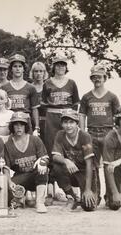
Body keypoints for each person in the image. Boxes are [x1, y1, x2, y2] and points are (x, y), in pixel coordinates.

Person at [42, 55, 80, 205]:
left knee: (70, 150)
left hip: (68, 117)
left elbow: (76, 103)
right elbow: (43, 105)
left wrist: (74, 122)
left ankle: (72, 191)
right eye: (57, 65)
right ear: (53, 67)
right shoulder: (47, 83)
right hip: (52, 117)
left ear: (66, 67)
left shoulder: (71, 83)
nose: (60, 67)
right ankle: (50, 191)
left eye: (62, 65)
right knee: (52, 151)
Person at [79, 65, 120, 205]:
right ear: (91, 78)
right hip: (91, 133)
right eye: (94, 77)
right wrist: (82, 132)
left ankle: (111, 196)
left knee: (109, 165)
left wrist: (117, 134)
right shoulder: (86, 97)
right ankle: (94, 195)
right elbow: (82, 115)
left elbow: (118, 117)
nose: (97, 79)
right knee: (93, 165)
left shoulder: (112, 97)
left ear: (105, 78)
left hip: (108, 133)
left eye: (100, 77)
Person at [52, 110, 98, 211]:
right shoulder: (60, 135)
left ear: (77, 123)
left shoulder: (84, 136)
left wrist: (87, 189)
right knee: (56, 167)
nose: (68, 126)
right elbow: (55, 156)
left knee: (88, 207)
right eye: (65, 122)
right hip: (71, 171)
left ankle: (87, 193)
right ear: (62, 124)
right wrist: (66, 161)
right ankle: (71, 197)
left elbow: (89, 164)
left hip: (85, 172)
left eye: (71, 122)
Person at [4, 112, 49, 213]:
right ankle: (21, 197)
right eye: (16, 125)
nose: (19, 128)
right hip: (21, 176)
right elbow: (6, 167)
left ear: (26, 126)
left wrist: (42, 162)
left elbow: (45, 157)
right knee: (6, 195)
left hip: (35, 175)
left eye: (22, 124)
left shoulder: (35, 140)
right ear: (12, 126)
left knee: (42, 169)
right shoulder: (8, 144)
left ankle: (40, 202)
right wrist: (9, 182)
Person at [2, 54, 40, 136]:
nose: (17, 69)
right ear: (11, 69)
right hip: (10, 120)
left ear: (24, 69)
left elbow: (34, 109)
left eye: (20, 66)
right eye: (15, 66)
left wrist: (36, 127)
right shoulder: (4, 87)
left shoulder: (31, 87)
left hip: (25, 121)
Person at [103, 106, 121, 210]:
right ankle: (110, 194)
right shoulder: (110, 137)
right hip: (115, 169)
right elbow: (108, 166)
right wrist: (115, 193)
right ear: (118, 121)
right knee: (115, 204)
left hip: (119, 163)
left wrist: (120, 160)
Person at [29, 62, 48, 142]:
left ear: (44, 73)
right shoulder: (29, 87)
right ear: (32, 73)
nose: (38, 73)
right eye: (36, 71)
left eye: (41, 71)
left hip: (46, 122)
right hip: (31, 122)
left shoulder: (48, 87)